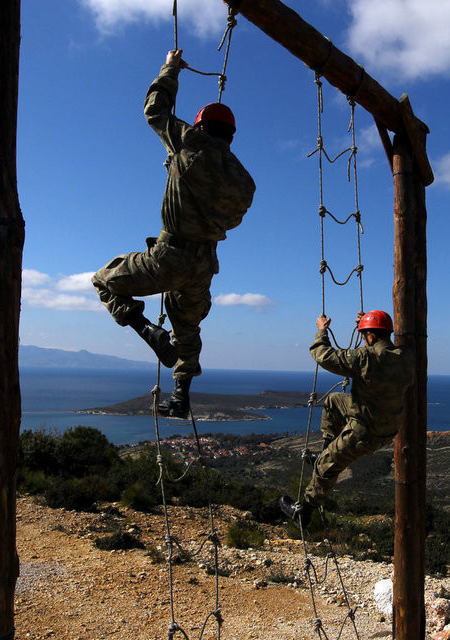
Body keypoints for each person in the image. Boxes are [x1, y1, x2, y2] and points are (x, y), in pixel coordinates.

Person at [92, 50, 256, 418]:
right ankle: (180, 396)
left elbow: (155, 111)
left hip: (171, 254)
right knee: (188, 326)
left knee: (104, 279)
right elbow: (234, 220)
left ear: (200, 126)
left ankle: (147, 331)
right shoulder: (245, 181)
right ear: (231, 135)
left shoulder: (189, 142)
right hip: (204, 263)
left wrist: (170, 68)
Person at [279, 310, 415, 527]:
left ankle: (304, 512)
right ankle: (325, 449)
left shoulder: (365, 358)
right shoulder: (406, 356)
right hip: (387, 426)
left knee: (325, 467)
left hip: (365, 431)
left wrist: (321, 331)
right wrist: (366, 325)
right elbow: (379, 352)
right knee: (334, 401)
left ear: (369, 336)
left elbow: (322, 354)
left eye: (365, 335)